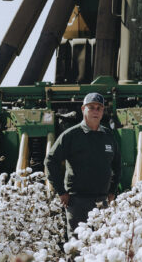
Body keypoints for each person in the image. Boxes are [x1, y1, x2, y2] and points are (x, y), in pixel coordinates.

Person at [45, 93, 121, 238]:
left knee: (101, 246)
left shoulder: (108, 136)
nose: (96, 111)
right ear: (83, 109)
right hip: (77, 202)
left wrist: (113, 191)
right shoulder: (71, 135)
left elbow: (117, 165)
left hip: (102, 202)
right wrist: (61, 192)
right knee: (77, 247)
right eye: (91, 107)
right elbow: (50, 161)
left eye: (99, 108)